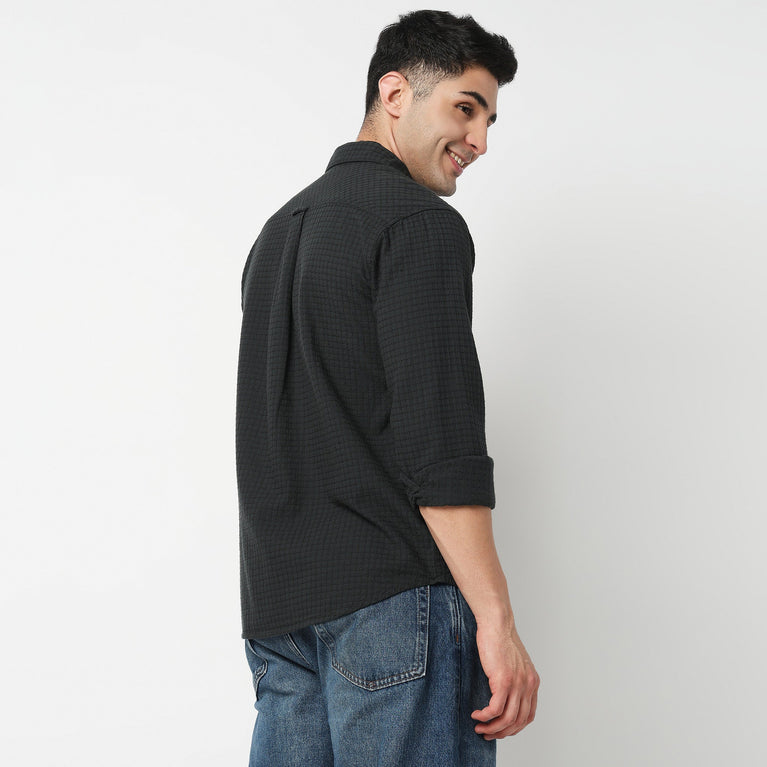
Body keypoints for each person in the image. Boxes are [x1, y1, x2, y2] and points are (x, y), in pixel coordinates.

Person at [236, 9, 539, 766]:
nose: (479, 139)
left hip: (280, 612)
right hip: (393, 604)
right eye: (465, 108)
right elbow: (440, 447)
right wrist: (496, 622)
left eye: (489, 120)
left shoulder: (277, 234)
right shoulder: (418, 225)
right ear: (395, 93)